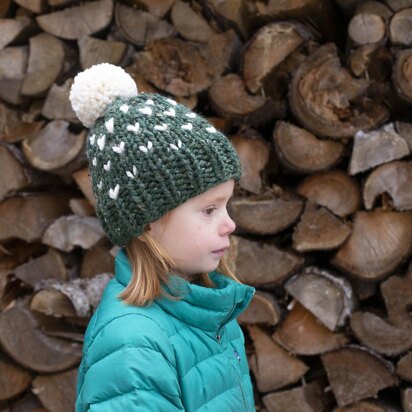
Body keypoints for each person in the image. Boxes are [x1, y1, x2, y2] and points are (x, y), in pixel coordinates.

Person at [70, 63, 256, 411]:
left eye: (226, 206)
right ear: (148, 223)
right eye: (209, 210)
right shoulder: (133, 345)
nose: (229, 224)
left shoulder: (208, 313)